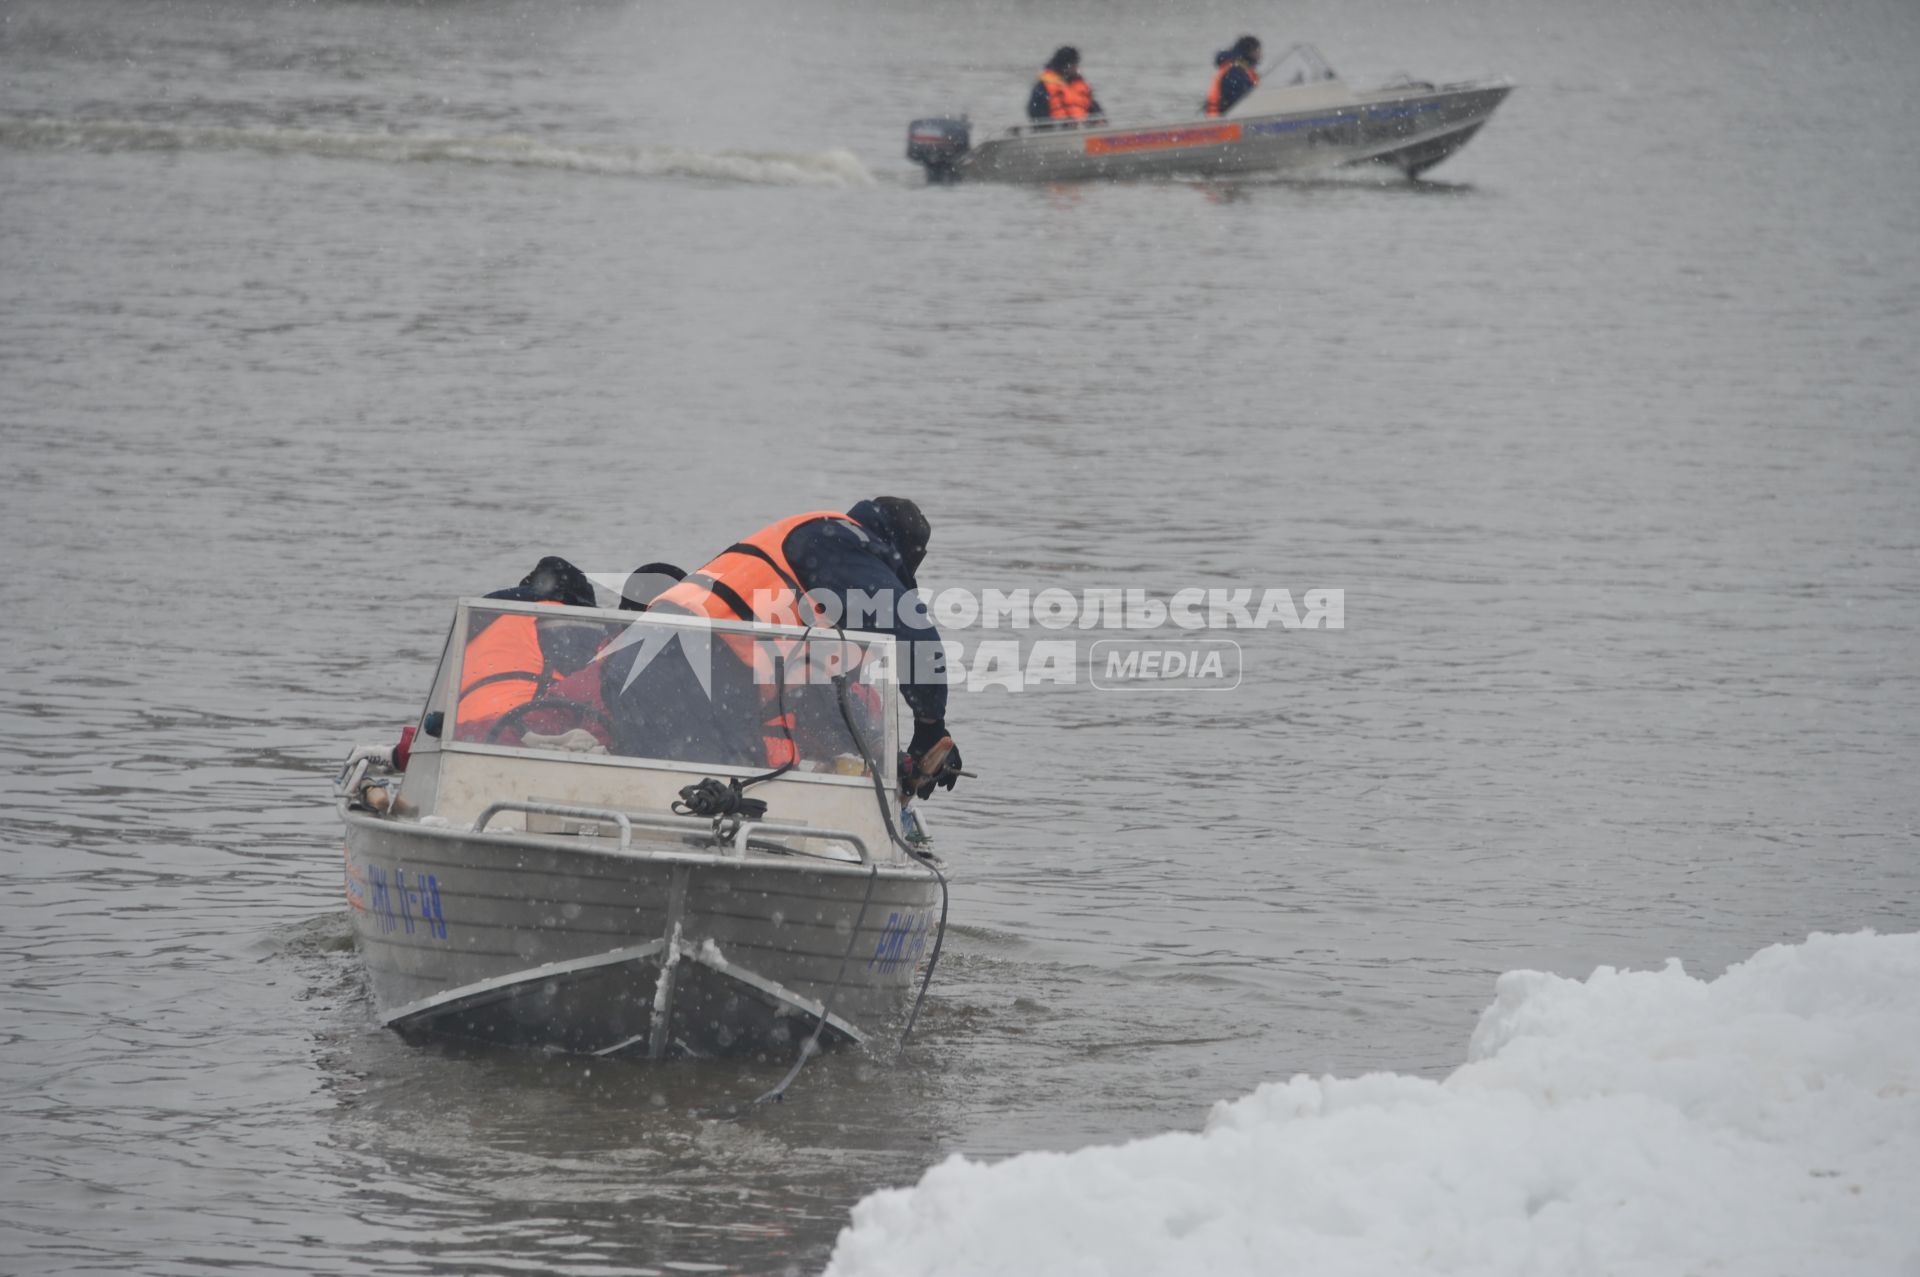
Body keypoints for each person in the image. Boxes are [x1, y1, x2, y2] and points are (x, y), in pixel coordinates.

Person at [640, 498, 963, 799]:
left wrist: (887, 759)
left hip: (641, 655)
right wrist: (930, 727)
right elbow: (913, 634)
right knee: (740, 805)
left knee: (665, 798)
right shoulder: (843, 544)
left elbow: (820, 703)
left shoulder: (807, 543)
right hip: (699, 664)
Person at [454, 556, 600, 734]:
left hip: (461, 731)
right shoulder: (565, 622)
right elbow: (596, 685)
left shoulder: (484, 623)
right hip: (518, 730)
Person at [1027, 46, 1103, 128]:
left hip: (1083, 131)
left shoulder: (1081, 86)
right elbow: (1037, 114)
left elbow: (1095, 109)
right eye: (1074, 65)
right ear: (1064, 66)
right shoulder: (1043, 87)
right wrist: (1062, 125)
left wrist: (1099, 122)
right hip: (1057, 134)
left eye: (1076, 65)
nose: (1076, 68)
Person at [1205, 35, 1262, 117]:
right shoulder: (1235, 71)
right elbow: (1239, 100)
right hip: (1221, 120)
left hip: (1223, 117)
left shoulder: (1239, 68)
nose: (1260, 55)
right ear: (1250, 52)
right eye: (1257, 51)